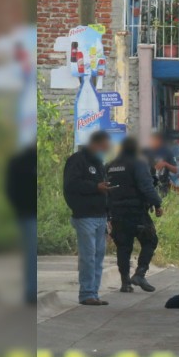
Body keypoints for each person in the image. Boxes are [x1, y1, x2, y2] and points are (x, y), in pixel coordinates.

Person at [107, 137, 163, 293]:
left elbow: (106, 192)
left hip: (117, 213)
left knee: (123, 247)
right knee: (150, 240)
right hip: (136, 211)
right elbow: (146, 187)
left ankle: (125, 283)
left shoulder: (110, 166)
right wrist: (157, 203)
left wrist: (107, 214)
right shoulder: (138, 163)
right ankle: (140, 273)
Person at [63, 131, 112, 306]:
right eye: (104, 147)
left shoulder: (99, 163)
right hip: (84, 216)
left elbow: (103, 189)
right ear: (96, 144)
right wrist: (95, 187)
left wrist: (109, 216)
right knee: (88, 256)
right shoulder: (77, 161)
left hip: (100, 216)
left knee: (98, 256)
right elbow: (71, 185)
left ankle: (94, 292)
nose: (106, 150)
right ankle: (86, 294)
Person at [6, 145, 37, 305]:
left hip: (30, 213)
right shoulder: (19, 162)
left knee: (31, 253)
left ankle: (32, 290)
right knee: (31, 254)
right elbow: (11, 189)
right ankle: (31, 291)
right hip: (27, 214)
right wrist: (21, 209)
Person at [146, 132, 177, 197]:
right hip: (149, 186)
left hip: (163, 186)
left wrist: (165, 164)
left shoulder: (167, 152)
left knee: (162, 205)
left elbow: (175, 170)